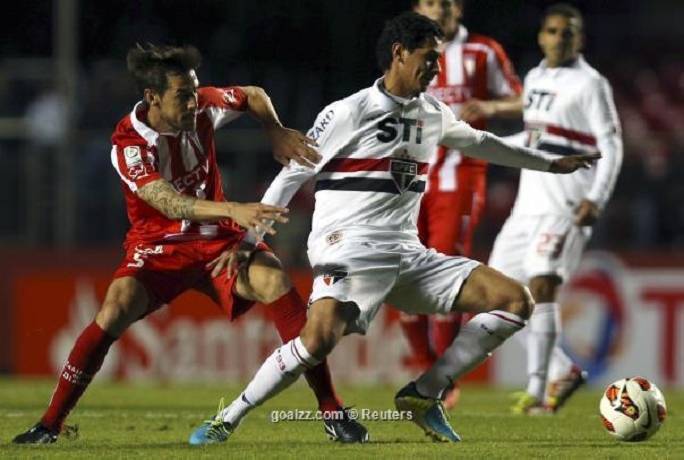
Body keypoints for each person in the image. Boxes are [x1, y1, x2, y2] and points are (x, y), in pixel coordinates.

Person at [188, 12, 599, 444]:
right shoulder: (349, 111)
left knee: (515, 300)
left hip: (408, 254)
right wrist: (251, 239)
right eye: (429, 58)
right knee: (316, 342)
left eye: (439, 60)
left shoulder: (433, 113)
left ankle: (425, 393)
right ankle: (228, 418)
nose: (436, 68)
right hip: (348, 250)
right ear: (399, 54)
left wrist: (550, 164)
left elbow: (481, 143)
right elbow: (292, 175)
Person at [12, 43, 368, 445]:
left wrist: (276, 130)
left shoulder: (201, 107)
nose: (192, 102)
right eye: (182, 95)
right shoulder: (129, 144)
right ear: (153, 98)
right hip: (160, 245)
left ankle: (332, 411)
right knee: (114, 307)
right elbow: (168, 201)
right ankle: (50, 424)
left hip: (218, 242)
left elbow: (253, 94)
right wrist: (231, 209)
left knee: (275, 281)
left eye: (194, 91)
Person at [488, 3, 623, 414]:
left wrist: (595, 198)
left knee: (542, 283)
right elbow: (532, 141)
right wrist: (480, 145)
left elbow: (612, 144)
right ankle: (563, 370)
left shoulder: (591, 84)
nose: (559, 38)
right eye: (553, 31)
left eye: (568, 32)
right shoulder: (535, 78)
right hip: (526, 206)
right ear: (541, 36)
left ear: (579, 39)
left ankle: (537, 394)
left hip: (566, 203)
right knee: (497, 295)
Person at [398, 0, 524, 407]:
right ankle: (424, 364)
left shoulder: (482, 51)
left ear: (460, 8)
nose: (441, 10)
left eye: (448, 3)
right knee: (398, 273)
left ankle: (444, 378)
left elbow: (524, 99)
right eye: (433, 3)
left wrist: (489, 106)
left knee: (446, 268)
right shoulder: (408, 52)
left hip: (461, 177)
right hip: (409, 180)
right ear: (419, 8)